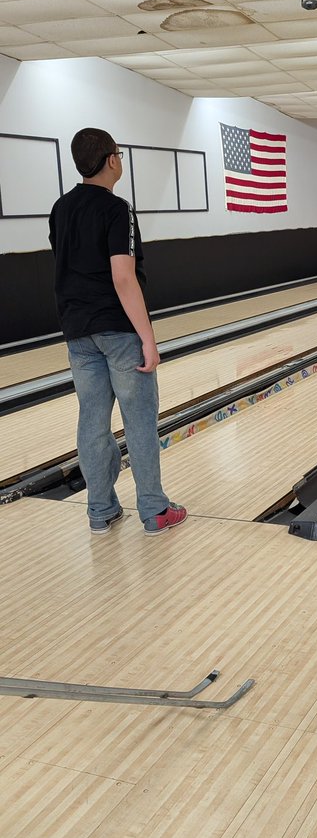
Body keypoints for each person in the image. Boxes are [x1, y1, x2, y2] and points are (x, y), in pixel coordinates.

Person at [48, 127, 187, 536]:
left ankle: (101, 510)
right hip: (117, 328)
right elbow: (123, 277)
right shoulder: (116, 208)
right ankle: (154, 510)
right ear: (112, 160)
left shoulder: (60, 208)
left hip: (76, 329)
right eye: (120, 154)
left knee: (92, 421)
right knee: (139, 419)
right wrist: (147, 337)